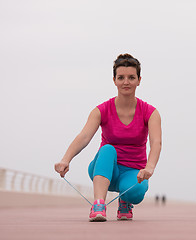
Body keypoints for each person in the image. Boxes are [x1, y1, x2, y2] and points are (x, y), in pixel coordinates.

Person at [54, 53, 162, 222]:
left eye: (131, 77)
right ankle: (98, 204)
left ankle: (125, 201)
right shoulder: (101, 110)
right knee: (108, 149)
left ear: (139, 80)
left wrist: (150, 167)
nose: (126, 82)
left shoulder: (150, 112)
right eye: (121, 77)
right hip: (104, 170)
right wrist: (65, 160)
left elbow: (156, 142)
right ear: (114, 80)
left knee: (136, 192)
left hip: (134, 172)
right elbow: (84, 137)